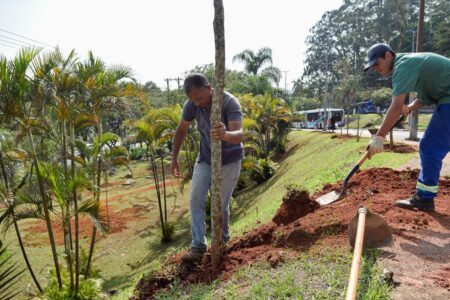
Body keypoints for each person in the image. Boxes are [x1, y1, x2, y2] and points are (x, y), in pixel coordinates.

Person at [365, 42, 450, 211]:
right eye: (372, 66)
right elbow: (426, 98)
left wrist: (379, 137)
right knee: (432, 146)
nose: (375, 68)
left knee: (430, 146)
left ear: (388, 55)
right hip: (445, 99)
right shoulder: (411, 64)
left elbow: (396, 106)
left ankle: (425, 199)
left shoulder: (402, 66)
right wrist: (410, 108)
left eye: (376, 63)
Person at [170, 73, 243, 262]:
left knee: (221, 203)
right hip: (205, 158)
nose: (198, 103)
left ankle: (223, 241)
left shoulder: (229, 102)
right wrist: (174, 158)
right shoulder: (192, 105)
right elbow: (181, 129)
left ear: (209, 88)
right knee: (195, 199)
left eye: (200, 98)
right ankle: (198, 245)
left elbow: (240, 134)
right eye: (193, 100)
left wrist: (225, 134)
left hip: (230, 160)